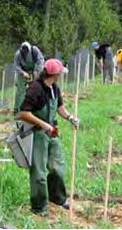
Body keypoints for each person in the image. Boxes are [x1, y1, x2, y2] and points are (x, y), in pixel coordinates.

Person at [18, 58, 80, 216]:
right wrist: (43, 124)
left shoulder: (54, 88)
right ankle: (39, 207)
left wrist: (70, 117)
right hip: (37, 133)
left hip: (52, 131)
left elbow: (59, 107)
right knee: (39, 173)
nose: (61, 76)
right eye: (61, 73)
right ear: (55, 74)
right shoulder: (35, 89)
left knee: (58, 167)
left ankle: (58, 198)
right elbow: (23, 113)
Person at [13, 42, 45, 115]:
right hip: (23, 71)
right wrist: (23, 73)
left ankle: (34, 108)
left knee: (35, 89)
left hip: (34, 71)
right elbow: (16, 65)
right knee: (20, 91)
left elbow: (41, 61)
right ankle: (17, 109)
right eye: (23, 51)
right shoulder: (18, 54)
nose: (25, 53)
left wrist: (37, 72)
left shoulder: (35, 50)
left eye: (26, 51)